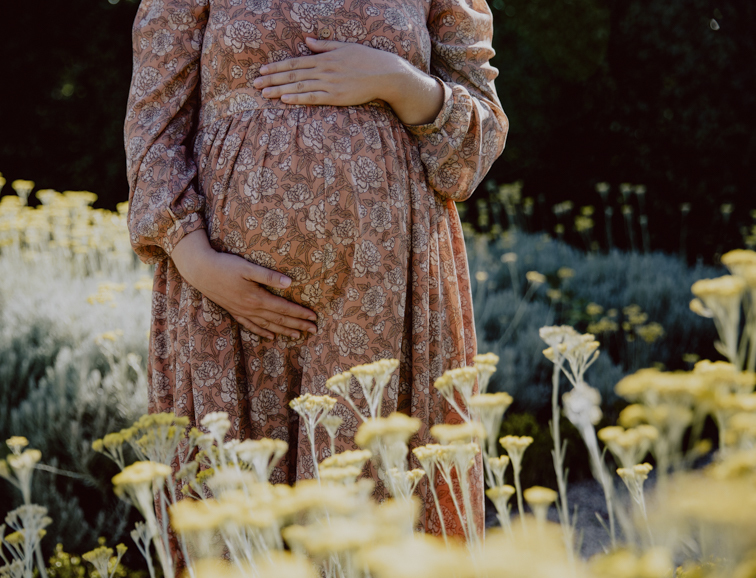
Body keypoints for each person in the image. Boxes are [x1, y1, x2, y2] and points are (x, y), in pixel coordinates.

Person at [123, 0, 508, 543]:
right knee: (239, 531)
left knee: (370, 529)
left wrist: (396, 81)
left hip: (386, 299)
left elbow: (476, 144)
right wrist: (194, 258)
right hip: (224, 308)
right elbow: (152, 127)